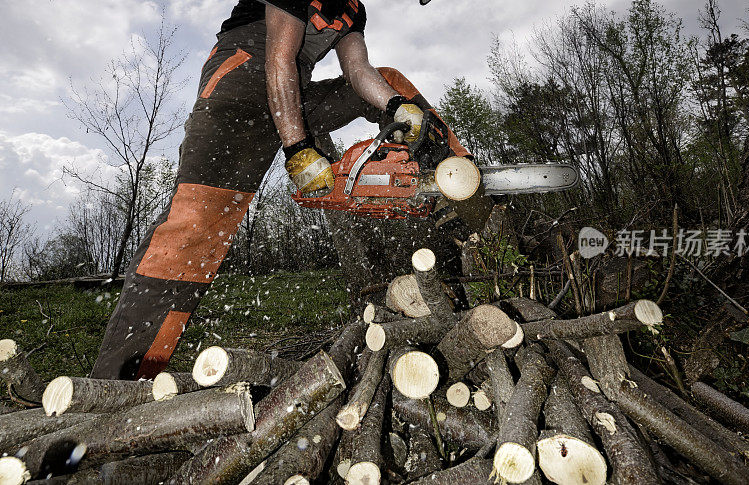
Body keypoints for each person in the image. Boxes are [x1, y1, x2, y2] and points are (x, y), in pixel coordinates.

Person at [90, 0, 472, 380]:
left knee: (391, 82)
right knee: (192, 232)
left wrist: (395, 107)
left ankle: (456, 182)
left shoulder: (355, 9)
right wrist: (298, 148)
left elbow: (357, 70)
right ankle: (121, 380)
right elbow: (278, 58)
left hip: (293, 95)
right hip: (239, 90)